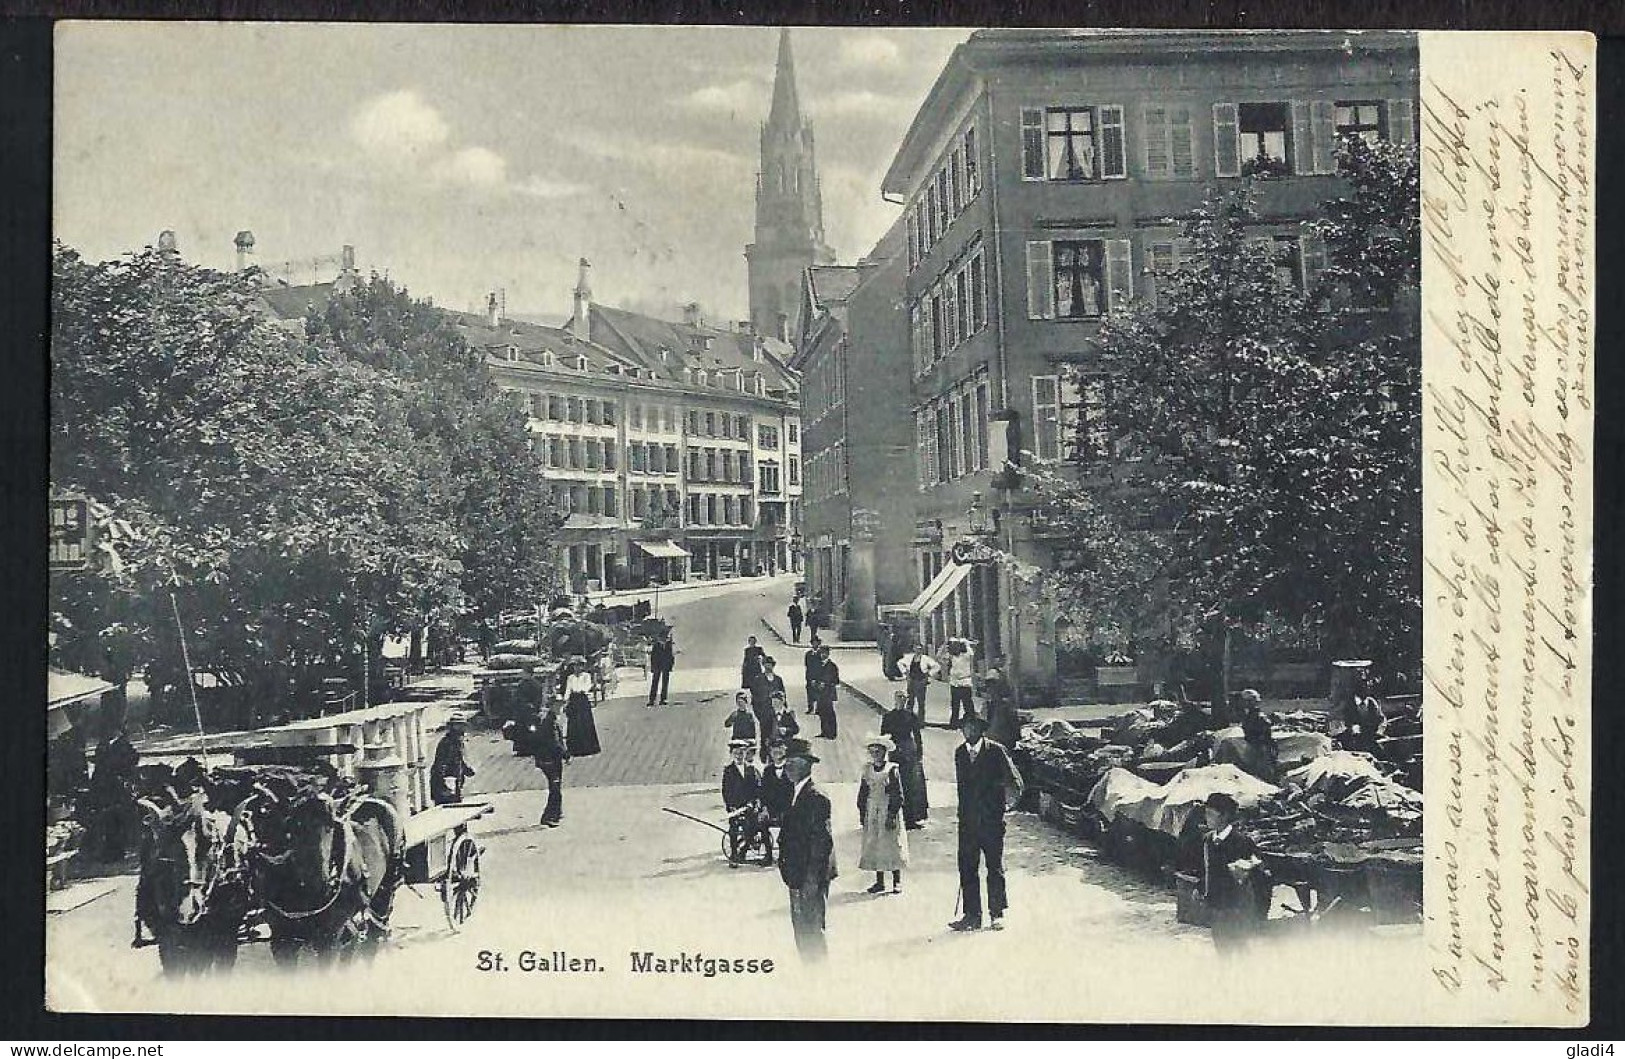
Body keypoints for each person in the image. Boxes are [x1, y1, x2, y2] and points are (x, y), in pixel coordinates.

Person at [949, 713, 1025, 931]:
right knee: (967, 868)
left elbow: (1015, 782)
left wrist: (1005, 806)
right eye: (965, 727)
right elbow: (963, 789)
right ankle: (972, 915)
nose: (968, 731)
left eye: (972, 727)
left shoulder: (996, 751)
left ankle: (996, 913)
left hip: (991, 822)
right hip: (967, 822)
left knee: (994, 866)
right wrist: (962, 816)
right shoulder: (960, 754)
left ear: (981, 730)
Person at [777, 739, 835, 960]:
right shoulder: (795, 792)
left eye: (792, 763)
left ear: (806, 765)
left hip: (810, 877)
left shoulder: (816, 797)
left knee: (811, 929)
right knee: (801, 929)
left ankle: (819, 979)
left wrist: (811, 880)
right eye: (786, 762)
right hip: (797, 874)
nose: (787, 767)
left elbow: (822, 843)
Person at [1201, 792, 1267, 953]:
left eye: (1211, 814)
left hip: (1237, 906)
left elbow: (1260, 872)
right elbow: (1206, 869)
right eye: (1206, 814)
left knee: (1239, 948)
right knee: (1221, 948)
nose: (1207, 818)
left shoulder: (1242, 842)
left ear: (1224, 816)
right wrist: (1201, 888)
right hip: (1216, 905)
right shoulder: (1208, 840)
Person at [857, 735, 908, 894]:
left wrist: (892, 814)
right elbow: (863, 792)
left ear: (884, 752)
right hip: (872, 809)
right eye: (872, 751)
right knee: (874, 843)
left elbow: (898, 794)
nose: (875, 754)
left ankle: (896, 880)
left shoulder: (891, 770)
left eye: (878, 751)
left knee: (891, 843)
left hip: (887, 808)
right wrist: (862, 812)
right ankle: (879, 881)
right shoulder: (867, 770)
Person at [881, 690, 928, 828]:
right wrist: (887, 752)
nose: (902, 700)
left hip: (909, 751)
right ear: (895, 699)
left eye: (904, 698)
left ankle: (912, 818)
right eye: (899, 698)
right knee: (896, 783)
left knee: (912, 785)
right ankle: (895, 816)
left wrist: (919, 752)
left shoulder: (910, 716)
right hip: (895, 752)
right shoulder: (888, 716)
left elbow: (917, 735)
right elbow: (883, 735)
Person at [722, 739, 767, 867]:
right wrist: (731, 806)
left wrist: (753, 803)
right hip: (735, 807)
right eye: (736, 753)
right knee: (734, 828)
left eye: (741, 753)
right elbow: (726, 791)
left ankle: (744, 849)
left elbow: (757, 788)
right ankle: (734, 854)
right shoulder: (728, 771)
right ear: (731, 754)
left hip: (749, 806)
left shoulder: (751, 770)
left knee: (752, 826)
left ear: (746, 753)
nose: (739, 755)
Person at [532, 701, 570, 827]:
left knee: (556, 786)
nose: (561, 708)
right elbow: (554, 743)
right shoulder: (550, 723)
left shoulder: (550, 720)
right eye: (558, 706)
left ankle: (556, 812)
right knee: (555, 787)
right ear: (552, 707)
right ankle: (549, 815)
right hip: (549, 759)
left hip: (549, 758)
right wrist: (565, 754)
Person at [429, 715, 477, 805]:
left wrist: (467, 770)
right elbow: (442, 764)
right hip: (447, 784)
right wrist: (445, 784)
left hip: (453, 782)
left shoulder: (457, 741)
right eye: (460, 726)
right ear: (453, 727)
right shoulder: (449, 743)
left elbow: (459, 760)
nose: (463, 729)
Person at [561, 657, 601, 758]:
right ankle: (575, 749)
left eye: (579, 665)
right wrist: (566, 700)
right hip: (574, 700)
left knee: (585, 722)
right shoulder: (570, 677)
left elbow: (588, 686)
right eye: (575, 666)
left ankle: (588, 748)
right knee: (574, 723)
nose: (577, 668)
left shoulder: (586, 676)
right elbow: (568, 689)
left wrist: (583, 690)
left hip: (582, 699)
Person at [1237, 688, 1280, 781]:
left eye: (1247, 701)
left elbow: (1267, 734)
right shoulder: (1249, 716)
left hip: (1259, 748)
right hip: (1253, 746)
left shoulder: (1259, 718)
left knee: (1261, 773)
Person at [750, 657, 787, 757]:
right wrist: (759, 714)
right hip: (764, 713)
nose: (768, 666)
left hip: (777, 713)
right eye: (766, 664)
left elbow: (783, 695)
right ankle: (765, 756)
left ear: (773, 665)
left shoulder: (778, 679)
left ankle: (777, 756)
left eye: (770, 664)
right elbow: (754, 698)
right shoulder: (758, 679)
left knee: (777, 735)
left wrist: (784, 710)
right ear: (763, 665)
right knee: (765, 736)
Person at [943, 639, 977, 727]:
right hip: (954, 683)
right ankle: (954, 723)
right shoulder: (952, 656)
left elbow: (972, 653)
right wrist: (944, 645)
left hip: (965, 682)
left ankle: (971, 722)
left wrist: (965, 642)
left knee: (967, 704)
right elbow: (939, 657)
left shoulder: (966, 656)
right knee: (955, 704)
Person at [903, 643, 939, 724]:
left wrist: (929, 674)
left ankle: (920, 721)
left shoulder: (926, 659)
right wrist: (905, 672)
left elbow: (936, 666)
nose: (918, 650)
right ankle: (908, 719)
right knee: (910, 700)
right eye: (916, 648)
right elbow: (900, 663)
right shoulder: (909, 658)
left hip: (920, 681)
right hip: (911, 680)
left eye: (920, 649)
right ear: (914, 649)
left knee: (921, 701)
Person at [814, 646, 840, 740]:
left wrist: (826, 683)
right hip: (820, 693)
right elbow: (814, 677)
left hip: (829, 692)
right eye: (821, 653)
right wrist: (815, 683)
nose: (823, 655)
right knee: (821, 712)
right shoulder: (818, 665)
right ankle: (824, 731)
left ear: (828, 654)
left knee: (829, 712)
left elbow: (836, 680)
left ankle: (832, 733)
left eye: (825, 653)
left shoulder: (832, 666)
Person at [648, 633, 675, 707]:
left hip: (665, 666)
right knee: (655, 683)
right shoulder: (656, 645)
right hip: (657, 666)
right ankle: (652, 700)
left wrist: (671, 665)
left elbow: (671, 656)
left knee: (665, 683)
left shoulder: (668, 645)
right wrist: (653, 667)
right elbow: (653, 657)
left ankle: (663, 699)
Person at [803, 645, 822, 716]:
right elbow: (807, 665)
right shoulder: (808, 654)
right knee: (810, 692)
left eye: (816, 643)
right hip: (810, 675)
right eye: (813, 643)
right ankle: (810, 708)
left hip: (819, 676)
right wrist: (810, 677)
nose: (815, 645)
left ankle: (818, 709)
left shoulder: (821, 654)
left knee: (819, 692)